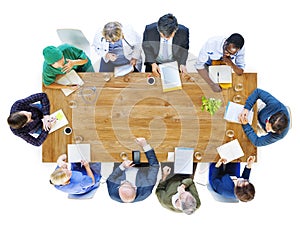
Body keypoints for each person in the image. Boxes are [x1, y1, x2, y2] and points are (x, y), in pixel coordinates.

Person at [106, 137, 159, 203]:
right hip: (142, 165)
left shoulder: (113, 193)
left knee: (119, 141)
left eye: (122, 184)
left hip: (122, 163)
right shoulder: (146, 188)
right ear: (135, 188)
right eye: (127, 183)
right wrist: (145, 145)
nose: (124, 182)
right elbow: (154, 166)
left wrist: (122, 166)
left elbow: (111, 178)